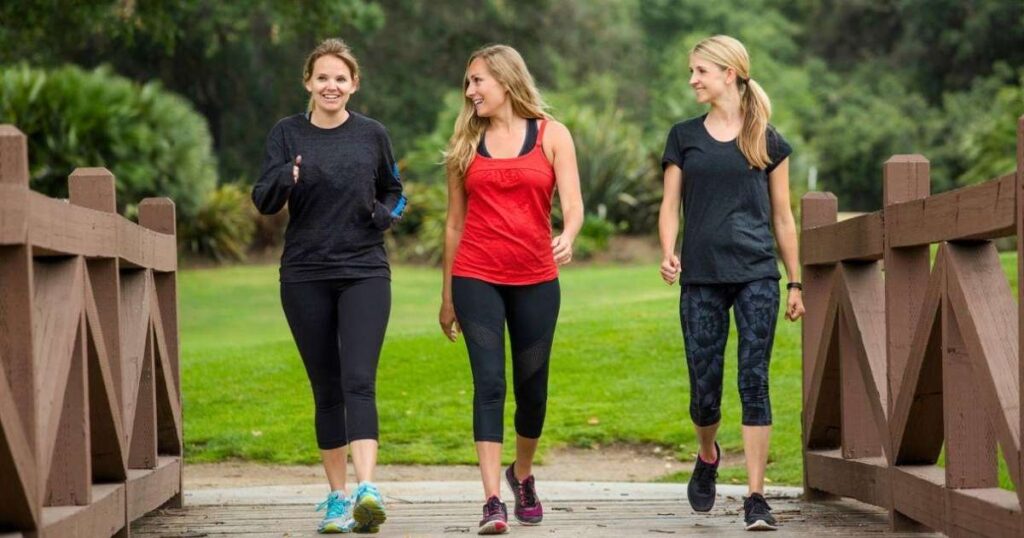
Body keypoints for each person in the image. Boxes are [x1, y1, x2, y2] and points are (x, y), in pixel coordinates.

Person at [251, 38, 406, 534]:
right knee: (327, 388)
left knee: (359, 379)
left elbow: (395, 190)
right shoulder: (286, 134)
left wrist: (383, 215)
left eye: (341, 78)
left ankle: (367, 490)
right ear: (308, 83)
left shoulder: (372, 135)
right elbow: (263, 199)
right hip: (304, 274)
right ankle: (337, 500)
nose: (331, 85)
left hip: (364, 270)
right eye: (322, 77)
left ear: (354, 84)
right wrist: (286, 177)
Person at [657, 35, 804, 532]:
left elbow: (784, 219)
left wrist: (795, 282)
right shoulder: (683, 136)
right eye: (692, 71)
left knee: (754, 381)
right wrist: (668, 251)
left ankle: (756, 497)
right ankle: (708, 453)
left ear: (729, 74)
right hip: (700, 277)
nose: (692, 79)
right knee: (705, 391)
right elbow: (669, 205)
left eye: (700, 70)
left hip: (757, 275)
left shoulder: (768, 140)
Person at [438, 44, 584, 535]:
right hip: (476, 274)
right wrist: (446, 297)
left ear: (505, 80)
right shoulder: (464, 141)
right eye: (468, 82)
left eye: (478, 80)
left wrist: (568, 234)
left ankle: (521, 475)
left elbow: (574, 202)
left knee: (532, 389)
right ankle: (492, 501)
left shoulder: (552, 134)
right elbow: (454, 225)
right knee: (489, 384)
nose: (471, 90)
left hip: (536, 278)